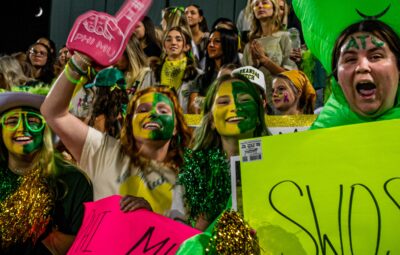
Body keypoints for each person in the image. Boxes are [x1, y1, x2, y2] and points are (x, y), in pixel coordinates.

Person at [41, 51, 192, 218]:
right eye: (143, 109)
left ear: (176, 127)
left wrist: (151, 217)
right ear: (130, 122)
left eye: (162, 110)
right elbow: (53, 112)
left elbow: (187, 236)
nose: (152, 114)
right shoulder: (103, 150)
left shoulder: (187, 175)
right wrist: (80, 60)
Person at [0, 91, 92, 254]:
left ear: (46, 130)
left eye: (34, 121)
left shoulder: (73, 182)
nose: (22, 128)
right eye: (12, 121)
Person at [179, 73, 269, 230]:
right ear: (212, 120)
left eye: (245, 100)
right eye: (223, 102)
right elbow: (185, 232)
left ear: (258, 116)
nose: (234, 107)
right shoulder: (193, 168)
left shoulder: (279, 161)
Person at [311, 21, 400, 128]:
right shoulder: (321, 136)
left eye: (376, 56)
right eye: (350, 59)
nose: (362, 67)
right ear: (337, 77)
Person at [243, 0, 297, 108]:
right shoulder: (249, 45)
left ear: (274, 7)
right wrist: (255, 65)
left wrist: (265, 61)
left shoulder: (285, 37)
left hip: (283, 103)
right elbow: (245, 81)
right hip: (258, 104)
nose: (260, 6)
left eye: (264, 3)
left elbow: (292, 76)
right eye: (256, 4)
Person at [188, 28, 241, 113]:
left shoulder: (240, 76)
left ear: (228, 45)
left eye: (217, 41)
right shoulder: (201, 79)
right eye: (209, 41)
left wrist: (202, 101)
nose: (210, 45)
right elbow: (192, 108)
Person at [152, 26, 200, 113]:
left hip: (185, 124)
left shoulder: (197, 75)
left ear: (187, 47)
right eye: (168, 40)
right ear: (164, 47)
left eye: (178, 39)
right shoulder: (152, 73)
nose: (173, 43)